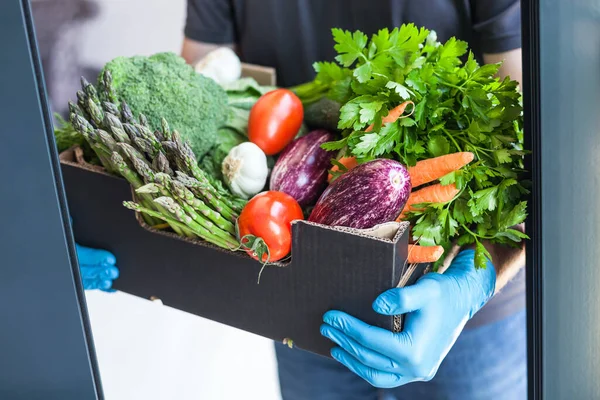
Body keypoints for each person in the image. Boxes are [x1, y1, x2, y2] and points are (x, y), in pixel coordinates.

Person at [180, 1, 527, 399]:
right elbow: (202, 81)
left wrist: (471, 284)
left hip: (465, 323)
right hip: (306, 297)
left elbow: (534, 151)